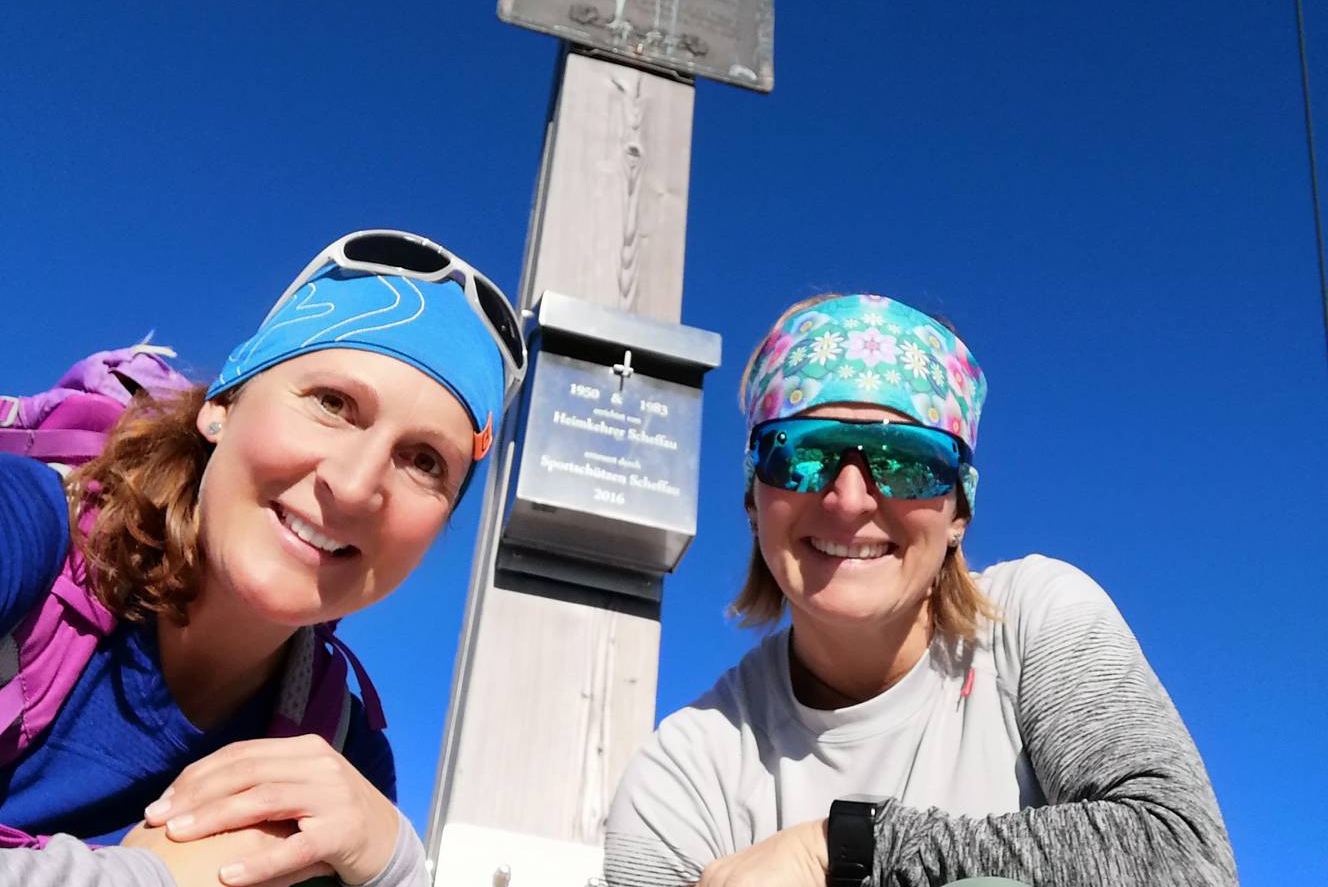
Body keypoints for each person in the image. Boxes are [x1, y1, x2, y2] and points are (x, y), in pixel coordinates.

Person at [604, 293, 1237, 886]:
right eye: (799, 453)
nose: (849, 500)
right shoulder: (683, 779)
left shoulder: (1038, 622)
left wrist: (844, 847)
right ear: (754, 498)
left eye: (905, 459)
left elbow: (1184, 856)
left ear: (958, 511)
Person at [0, 229, 525, 886]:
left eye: (424, 462)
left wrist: (395, 864)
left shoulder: (339, 756)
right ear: (222, 405)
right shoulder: (21, 528)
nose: (358, 486)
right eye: (333, 404)